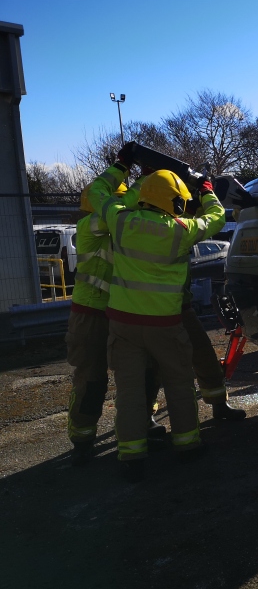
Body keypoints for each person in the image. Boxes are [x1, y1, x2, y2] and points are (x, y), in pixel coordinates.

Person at [88, 142, 226, 481]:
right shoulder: (181, 231)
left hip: (123, 325)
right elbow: (217, 217)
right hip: (167, 324)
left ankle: (131, 456)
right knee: (179, 385)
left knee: (131, 392)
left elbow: (97, 191)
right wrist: (206, 189)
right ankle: (188, 445)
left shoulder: (120, 220)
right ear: (177, 202)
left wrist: (124, 167)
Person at [66, 179, 167, 465]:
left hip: (125, 311)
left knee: (143, 373)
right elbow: (115, 214)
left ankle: (143, 422)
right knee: (91, 378)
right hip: (92, 313)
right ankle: (82, 439)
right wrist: (146, 183)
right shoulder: (91, 225)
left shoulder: (129, 228)